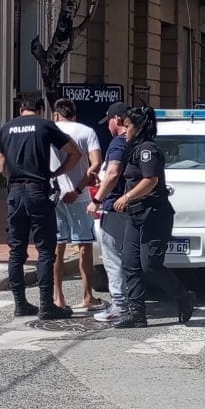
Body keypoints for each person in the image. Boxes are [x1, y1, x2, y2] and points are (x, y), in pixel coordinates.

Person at [0, 94, 83, 319]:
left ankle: (20, 304)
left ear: (20, 109)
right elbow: (75, 152)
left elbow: (1, 166)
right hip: (38, 191)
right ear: (41, 108)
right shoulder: (45, 125)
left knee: (16, 251)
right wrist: (56, 172)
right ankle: (46, 305)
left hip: (15, 193)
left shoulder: (6, 128)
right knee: (45, 250)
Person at [113, 105, 195, 329]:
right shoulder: (133, 149)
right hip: (136, 215)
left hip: (154, 214)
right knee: (130, 264)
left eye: (127, 126)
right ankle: (137, 313)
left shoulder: (148, 149)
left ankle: (183, 296)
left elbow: (150, 180)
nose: (124, 130)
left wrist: (127, 197)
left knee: (150, 265)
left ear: (138, 127)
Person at [49, 98, 104, 311]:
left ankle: (58, 297)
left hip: (54, 194)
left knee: (57, 246)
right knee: (84, 246)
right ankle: (87, 296)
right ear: (74, 114)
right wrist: (80, 188)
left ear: (56, 114)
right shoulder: (86, 131)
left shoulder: (49, 130)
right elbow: (96, 163)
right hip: (79, 196)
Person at [87, 101, 130, 323]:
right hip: (130, 206)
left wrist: (97, 199)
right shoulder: (135, 140)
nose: (108, 126)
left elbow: (113, 172)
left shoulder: (118, 143)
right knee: (127, 257)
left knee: (113, 257)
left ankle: (119, 305)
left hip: (114, 207)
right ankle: (130, 301)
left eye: (110, 121)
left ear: (118, 119)